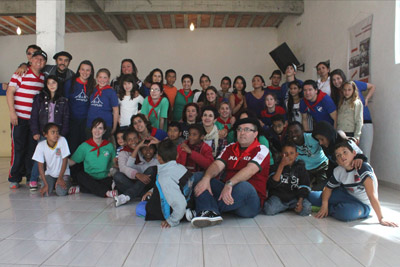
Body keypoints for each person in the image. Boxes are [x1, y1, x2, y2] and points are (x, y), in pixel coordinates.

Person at [191, 118, 270, 227]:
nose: (242, 133)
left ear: (255, 133)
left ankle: (202, 209)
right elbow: (216, 165)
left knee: (244, 186)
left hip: (248, 202)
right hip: (227, 193)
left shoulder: (262, 149)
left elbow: (250, 170)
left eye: (247, 130)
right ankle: (209, 212)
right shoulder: (230, 148)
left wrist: (230, 183)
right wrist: (206, 178)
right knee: (200, 177)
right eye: (239, 129)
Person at [309, 142, 398, 227]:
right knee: (311, 196)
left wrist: (381, 218)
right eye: (338, 155)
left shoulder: (362, 168)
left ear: (354, 153)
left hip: (363, 204)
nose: (342, 156)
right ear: (337, 161)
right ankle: (325, 207)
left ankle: (329, 208)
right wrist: (324, 204)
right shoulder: (338, 170)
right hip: (346, 195)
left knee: (344, 213)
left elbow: (371, 195)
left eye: (345, 152)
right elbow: (328, 188)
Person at [6, 50, 47, 189]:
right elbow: (9, 91)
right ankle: (14, 178)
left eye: (42, 60)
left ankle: (31, 177)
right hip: (19, 119)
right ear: (30, 60)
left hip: (34, 122)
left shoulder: (43, 79)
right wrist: (12, 112)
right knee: (18, 149)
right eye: (36, 58)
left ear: (44, 63)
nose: (38, 61)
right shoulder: (20, 73)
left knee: (32, 150)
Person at [30, 75, 69, 190]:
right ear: (46, 85)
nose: (52, 85)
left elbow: (66, 118)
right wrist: (35, 131)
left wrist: (63, 133)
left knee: (56, 157)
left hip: (57, 133)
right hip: (44, 133)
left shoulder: (63, 100)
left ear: (58, 84)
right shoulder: (39, 98)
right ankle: (33, 179)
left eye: (54, 82)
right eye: (49, 83)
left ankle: (57, 177)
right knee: (39, 157)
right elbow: (34, 117)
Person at [144, 139, 192, 228]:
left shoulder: (165, 177)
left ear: (158, 157)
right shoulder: (181, 168)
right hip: (188, 202)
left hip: (173, 210)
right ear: (177, 155)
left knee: (141, 208)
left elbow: (179, 203)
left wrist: (172, 220)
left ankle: (183, 215)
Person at [330, 69, 376, 160]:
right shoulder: (338, 96)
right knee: (352, 156)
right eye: (333, 80)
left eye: (338, 78)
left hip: (365, 123)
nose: (336, 81)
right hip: (349, 130)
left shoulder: (354, 85)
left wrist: (366, 99)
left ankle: (365, 173)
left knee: (364, 154)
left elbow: (372, 87)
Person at [68, 118, 117, 198]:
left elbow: (114, 163)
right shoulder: (84, 146)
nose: (97, 131)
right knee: (80, 175)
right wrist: (60, 158)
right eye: (95, 127)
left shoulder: (109, 146)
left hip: (104, 177)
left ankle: (82, 189)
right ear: (91, 130)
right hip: (89, 177)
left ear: (104, 131)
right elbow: (72, 162)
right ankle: (106, 193)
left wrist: (112, 171)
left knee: (109, 183)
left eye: (100, 128)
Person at [113, 129, 159, 207]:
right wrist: (137, 174)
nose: (133, 141)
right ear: (126, 142)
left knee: (152, 169)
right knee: (117, 175)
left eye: (135, 138)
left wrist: (158, 143)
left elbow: (165, 154)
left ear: (139, 139)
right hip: (132, 181)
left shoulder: (144, 150)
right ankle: (144, 194)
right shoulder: (123, 152)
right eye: (129, 140)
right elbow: (124, 168)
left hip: (146, 181)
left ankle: (128, 195)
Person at [263, 142, 311, 216]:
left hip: (294, 198)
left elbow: (304, 186)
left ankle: (289, 207)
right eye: (285, 153)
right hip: (278, 198)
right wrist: (281, 166)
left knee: (306, 208)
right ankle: (285, 207)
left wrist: (300, 202)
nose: (288, 156)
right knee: (269, 210)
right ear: (281, 154)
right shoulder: (275, 167)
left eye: (291, 153)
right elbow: (272, 183)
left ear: (296, 155)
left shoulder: (300, 168)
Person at [64, 60, 96, 154]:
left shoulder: (93, 85)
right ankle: (72, 168)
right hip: (72, 120)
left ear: (91, 72)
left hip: (86, 121)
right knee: (72, 145)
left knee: (84, 145)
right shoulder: (70, 83)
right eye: (83, 69)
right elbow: (65, 102)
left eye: (88, 70)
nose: (85, 72)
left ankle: (83, 168)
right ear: (79, 70)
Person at [32, 123, 71, 197]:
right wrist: (45, 184)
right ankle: (52, 184)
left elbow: (65, 160)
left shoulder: (62, 140)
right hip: (50, 174)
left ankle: (66, 183)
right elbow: (40, 166)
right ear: (45, 134)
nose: (56, 135)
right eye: (53, 132)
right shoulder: (41, 145)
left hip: (63, 173)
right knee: (46, 193)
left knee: (61, 193)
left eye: (57, 132)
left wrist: (60, 178)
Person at [288, 121, 328, 191]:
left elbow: (326, 144)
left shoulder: (312, 137)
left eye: (296, 131)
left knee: (321, 188)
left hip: (322, 165)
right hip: (307, 170)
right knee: (301, 188)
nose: (293, 134)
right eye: (290, 133)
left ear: (302, 131)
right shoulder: (291, 146)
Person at [86, 68, 119, 140]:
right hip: (90, 123)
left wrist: (114, 127)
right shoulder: (93, 90)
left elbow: (116, 110)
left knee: (103, 146)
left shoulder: (111, 92)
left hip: (105, 124)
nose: (102, 80)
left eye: (105, 77)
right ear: (97, 78)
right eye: (100, 77)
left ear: (108, 79)